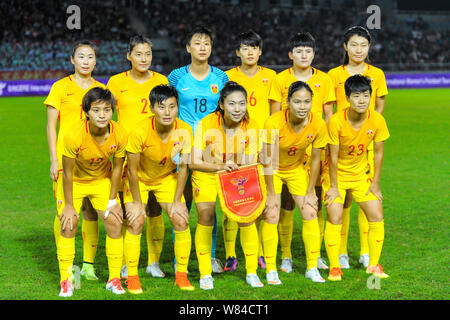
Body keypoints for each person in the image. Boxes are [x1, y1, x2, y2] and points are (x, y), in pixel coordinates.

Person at [268, 32, 335, 273]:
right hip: (286, 149)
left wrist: (327, 145)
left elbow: (329, 115)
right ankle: (285, 254)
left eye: (308, 51)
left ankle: (314, 254)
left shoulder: (324, 80)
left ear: (314, 55)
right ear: (291, 55)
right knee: (284, 202)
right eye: (299, 51)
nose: (304, 55)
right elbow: (275, 113)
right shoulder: (280, 79)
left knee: (313, 200)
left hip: (314, 145)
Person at [189, 81, 264, 289]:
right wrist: (222, 164)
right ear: (221, 104)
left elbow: (249, 162)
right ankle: (205, 274)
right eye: (232, 104)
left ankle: (251, 272)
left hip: (236, 174)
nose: (238, 109)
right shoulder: (206, 123)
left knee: (247, 217)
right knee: (206, 216)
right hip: (208, 173)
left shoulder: (252, 125)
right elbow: (194, 161)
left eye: (242, 103)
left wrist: (235, 162)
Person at [107, 35, 169, 278]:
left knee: (155, 210)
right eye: (139, 54)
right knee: (129, 211)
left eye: (148, 55)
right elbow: (106, 115)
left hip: (157, 155)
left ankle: (153, 263)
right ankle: (125, 262)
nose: (144, 59)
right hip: (128, 155)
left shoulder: (161, 80)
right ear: (128, 56)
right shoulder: (115, 82)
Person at [122, 85, 194, 293]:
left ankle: (181, 275)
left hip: (165, 178)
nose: (167, 112)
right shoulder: (139, 131)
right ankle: (133, 277)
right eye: (162, 107)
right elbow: (133, 171)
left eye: (172, 107)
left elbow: (184, 168)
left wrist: (178, 200)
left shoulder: (185, 130)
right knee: (136, 221)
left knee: (180, 218)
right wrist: (137, 203)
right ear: (152, 108)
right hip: (139, 180)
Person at [168, 26, 229, 273]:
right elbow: (168, 108)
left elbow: (224, 112)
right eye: (197, 43)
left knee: (208, 206)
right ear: (188, 48)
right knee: (183, 204)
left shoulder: (221, 78)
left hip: (210, 149)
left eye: (207, 44)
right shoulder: (175, 77)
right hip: (183, 146)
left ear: (211, 48)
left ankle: (211, 256)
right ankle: (178, 259)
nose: (202, 47)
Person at [57, 87, 127, 297]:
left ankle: (114, 279)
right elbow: (67, 173)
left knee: (115, 221)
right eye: (96, 110)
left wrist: (113, 200)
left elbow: (117, 168)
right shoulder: (72, 134)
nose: (102, 115)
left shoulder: (120, 133)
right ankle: (66, 280)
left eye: (107, 110)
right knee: (69, 223)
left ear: (112, 111)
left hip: (101, 181)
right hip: (75, 182)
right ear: (86, 112)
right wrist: (69, 206)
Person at [328, 26, 388, 269]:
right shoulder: (334, 74)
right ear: (345, 47)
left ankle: (365, 251)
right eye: (354, 45)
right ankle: (340, 252)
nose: (358, 50)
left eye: (363, 45)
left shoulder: (377, 73)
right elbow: (328, 107)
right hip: (340, 142)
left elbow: (380, 102)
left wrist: (367, 129)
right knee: (343, 201)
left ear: (369, 47)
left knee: (368, 199)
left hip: (365, 144)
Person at [45, 40, 105, 282]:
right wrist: (53, 159)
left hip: (94, 162)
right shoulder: (60, 88)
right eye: (81, 57)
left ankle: (88, 265)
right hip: (66, 161)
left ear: (95, 61)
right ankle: (67, 267)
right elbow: (51, 126)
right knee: (64, 213)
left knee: (91, 212)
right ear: (72, 60)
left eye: (90, 57)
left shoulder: (101, 89)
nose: (86, 61)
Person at [263, 81, 328, 284]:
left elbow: (316, 159)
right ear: (288, 102)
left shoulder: (318, 124)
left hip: (296, 170)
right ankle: (271, 268)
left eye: (307, 102)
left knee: (310, 210)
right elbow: (266, 158)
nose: (302, 106)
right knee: (272, 213)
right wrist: (272, 194)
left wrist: (311, 191)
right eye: (297, 101)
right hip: (272, 170)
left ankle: (311, 267)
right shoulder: (273, 122)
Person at [223, 30, 276, 271]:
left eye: (254, 48)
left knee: (259, 197)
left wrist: (270, 142)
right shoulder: (227, 76)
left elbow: (275, 112)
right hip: (234, 141)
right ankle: (231, 254)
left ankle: (261, 253)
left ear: (260, 51)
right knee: (234, 197)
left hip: (262, 142)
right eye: (245, 48)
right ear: (238, 52)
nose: (250, 52)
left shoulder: (271, 76)